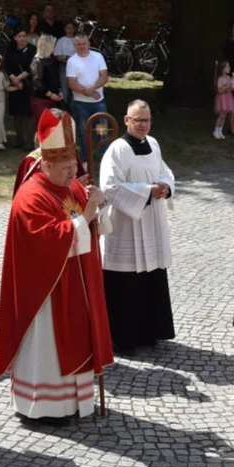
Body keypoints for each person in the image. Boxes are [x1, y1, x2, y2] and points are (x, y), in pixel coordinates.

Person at [0, 109, 114, 422]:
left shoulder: (71, 184)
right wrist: (87, 215)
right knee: (48, 349)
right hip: (45, 293)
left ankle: (76, 403)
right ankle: (44, 407)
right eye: (65, 168)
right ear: (46, 165)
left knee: (74, 339)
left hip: (75, 288)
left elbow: (91, 225)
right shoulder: (30, 195)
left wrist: (99, 205)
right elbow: (46, 240)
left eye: (74, 166)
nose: (72, 173)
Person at [99, 100, 176, 355]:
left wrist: (165, 187)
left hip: (151, 221)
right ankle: (124, 337)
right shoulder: (116, 150)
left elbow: (165, 172)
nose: (143, 125)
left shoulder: (153, 144)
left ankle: (149, 331)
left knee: (150, 277)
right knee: (126, 284)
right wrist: (146, 192)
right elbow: (109, 187)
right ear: (126, 120)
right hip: (126, 227)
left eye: (147, 120)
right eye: (138, 120)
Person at [11, 108, 89, 195]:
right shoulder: (32, 162)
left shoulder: (70, 157)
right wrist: (73, 188)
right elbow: (28, 194)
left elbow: (83, 186)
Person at [66, 34, 110, 158]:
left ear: (89, 44)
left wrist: (92, 89)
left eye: (84, 44)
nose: (82, 46)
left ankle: (105, 157)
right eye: (79, 44)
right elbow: (71, 83)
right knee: (83, 133)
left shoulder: (98, 57)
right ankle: (86, 158)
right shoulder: (72, 61)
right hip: (80, 103)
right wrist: (87, 92)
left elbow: (104, 76)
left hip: (99, 102)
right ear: (75, 46)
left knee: (103, 131)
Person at [4, 31, 36, 149]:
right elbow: (7, 65)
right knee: (16, 114)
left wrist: (19, 78)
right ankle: (19, 140)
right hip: (14, 84)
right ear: (15, 38)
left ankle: (29, 141)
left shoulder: (32, 49)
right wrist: (13, 79)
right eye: (19, 36)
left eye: (24, 36)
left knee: (28, 113)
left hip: (27, 84)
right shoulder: (11, 48)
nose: (22, 39)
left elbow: (31, 66)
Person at [31, 35, 63, 126]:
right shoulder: (38, 61)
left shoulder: (52, 59)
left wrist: (59, 90)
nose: (56, 47)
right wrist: (50, 94)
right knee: (44, 126)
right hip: (41, 100)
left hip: (53, 99)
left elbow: (55, 78)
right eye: (54, 44)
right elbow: (36, 81)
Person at [213, 60, 234, 140]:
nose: (229, 68)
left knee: (224, 115)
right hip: (222, 99)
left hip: (228, 98)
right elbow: (219, 90)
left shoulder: (227, 77)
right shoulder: (220, 79)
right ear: (222, 69)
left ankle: (220, 130)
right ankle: (216, 130)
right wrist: (227, 89)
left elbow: (230, 85)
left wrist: (232, 86)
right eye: (227, 66)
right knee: (221, 115)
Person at [55, 21, 77, 103]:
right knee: (64, 89)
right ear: (65, 29)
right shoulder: (61, 41)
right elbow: (58, 56)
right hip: (64, 66)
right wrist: (69, 58)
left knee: (75, 90)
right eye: (68, 28)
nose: (70, 30)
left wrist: (66, 57)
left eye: (72, 28)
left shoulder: (77, 40)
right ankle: (64, 108)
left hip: (76, 68)